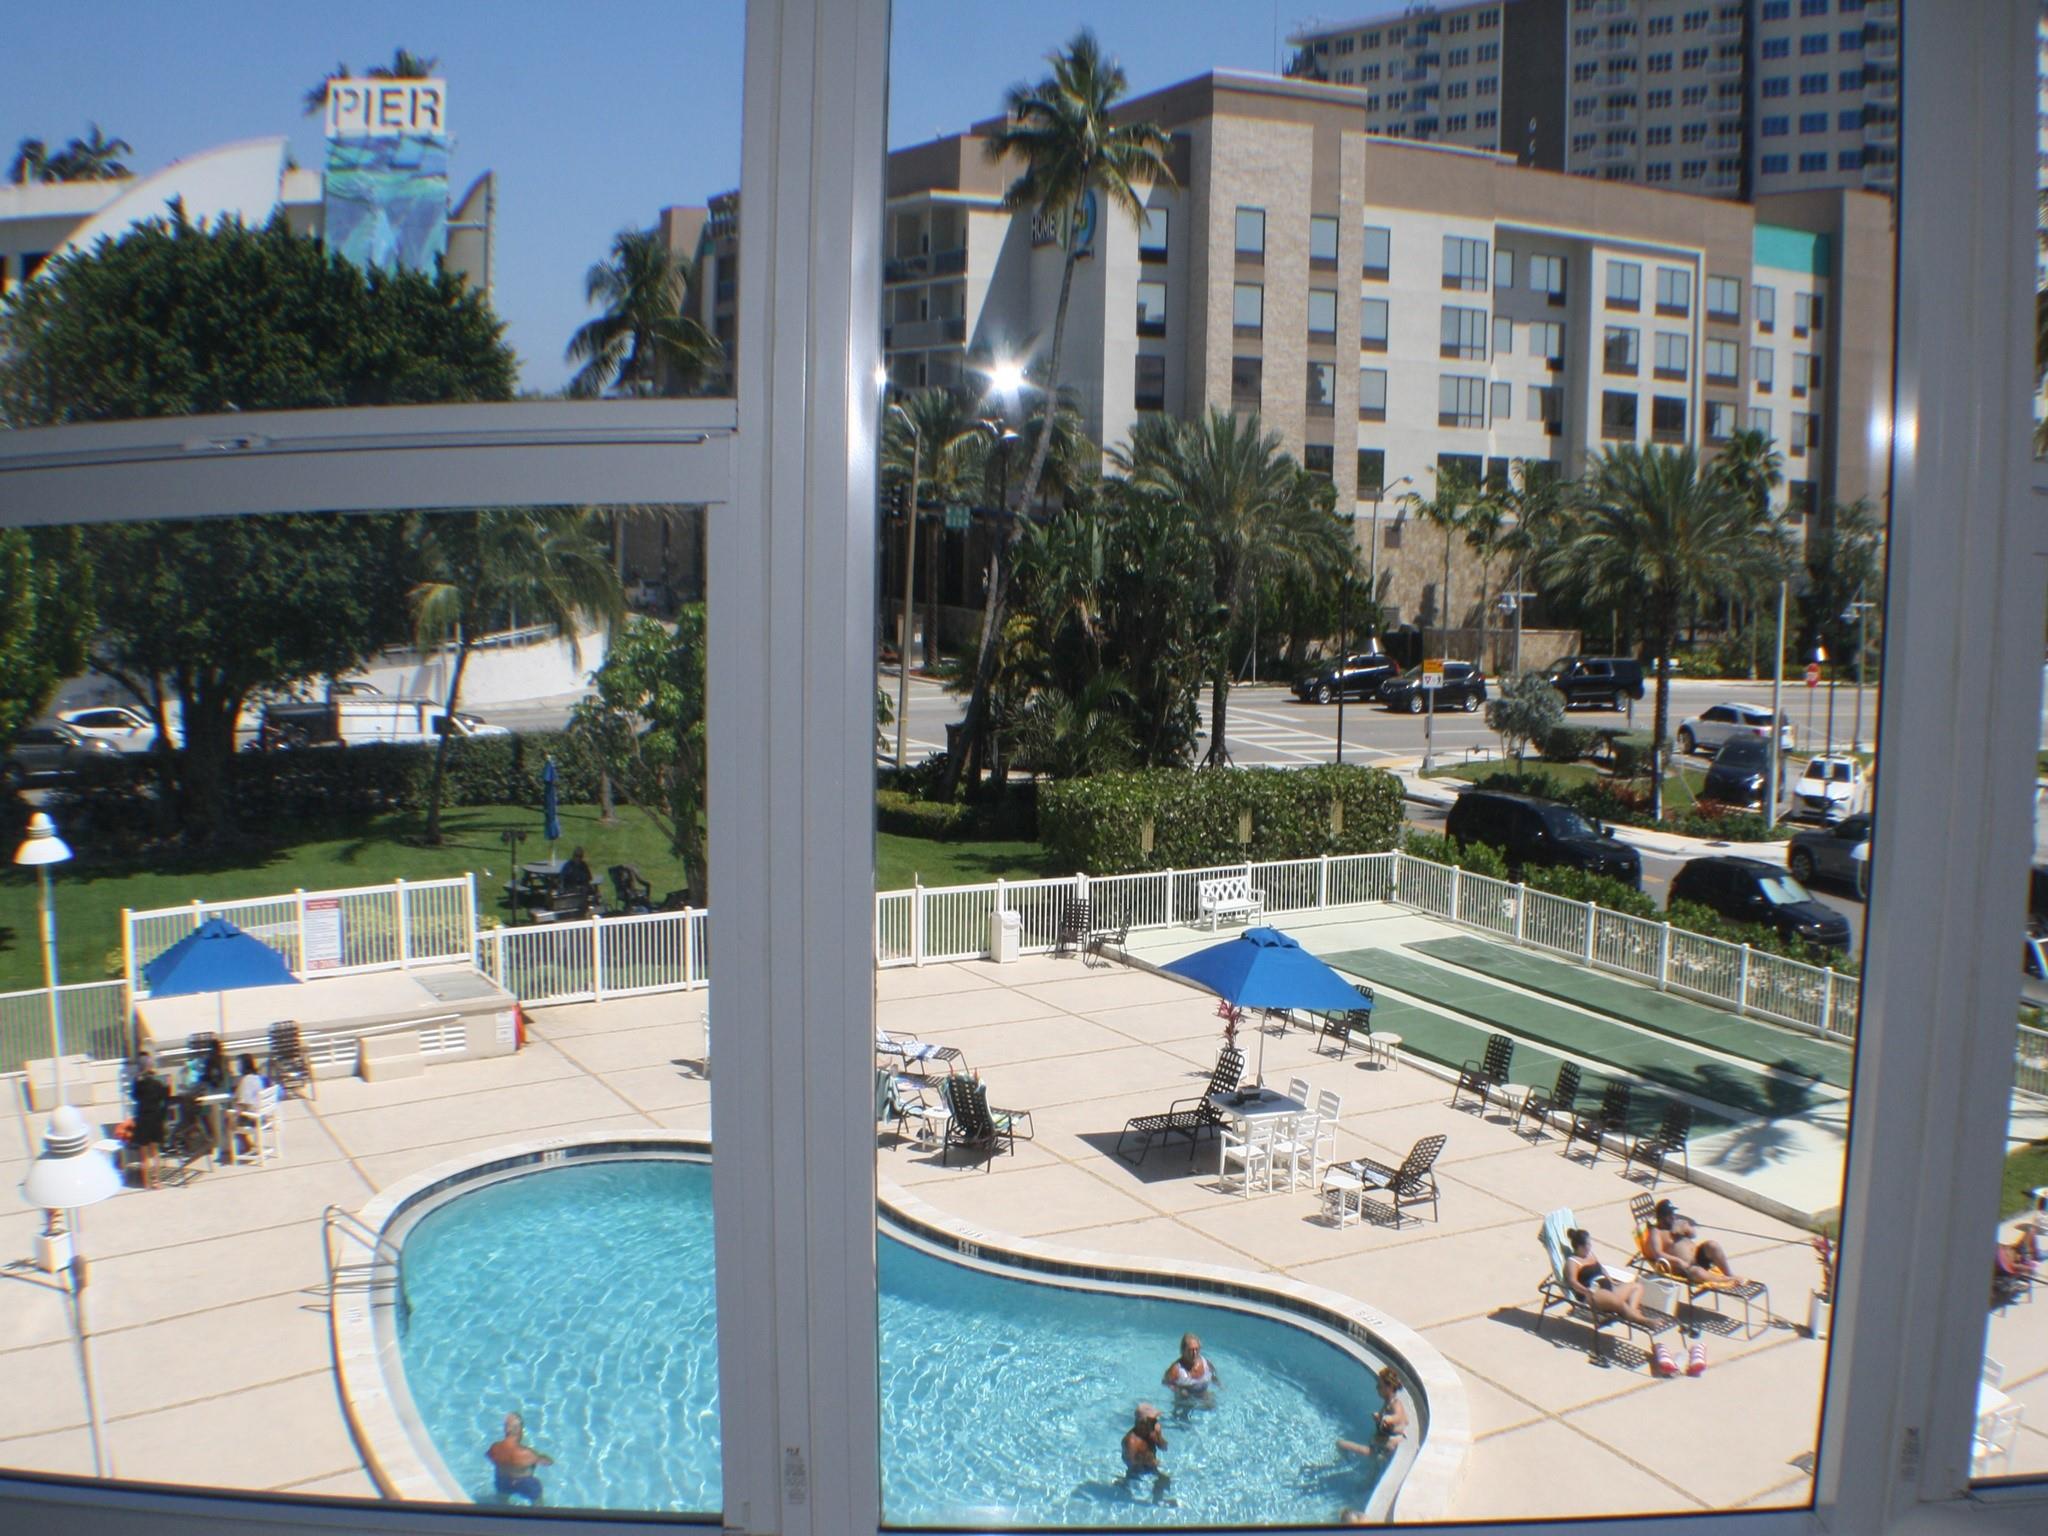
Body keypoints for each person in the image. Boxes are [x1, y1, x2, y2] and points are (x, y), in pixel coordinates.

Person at [1564, 1227, 1678, 1375]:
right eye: (1587, 1245)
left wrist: (1612, 1282)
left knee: (1637, 1287)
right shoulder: (1572, 1262)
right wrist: (1586, 1291)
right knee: (1618, 1303)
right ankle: (1645, 1321)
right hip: (1593, 1294)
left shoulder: (1590, 1254)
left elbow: (1602, 1270)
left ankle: (1631, 1312)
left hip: (1609, 1289)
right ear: (1579, 1247)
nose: (1590, 1247)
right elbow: (1572, 1282)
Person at [1648, 1199, 1748, 1286]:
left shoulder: (1678, 1223)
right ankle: (1728, 1280)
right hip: (1685, 1267)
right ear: (1661, 1217)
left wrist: (1687, 1229)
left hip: (1698, 1257)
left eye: (1673, 1214)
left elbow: (1693, 1235)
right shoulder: (1656, 1232)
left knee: (1712, 1245)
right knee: (1697, 1272)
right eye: (1670, 1215)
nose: (1673, 1217)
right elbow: (1658, 1254)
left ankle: (1729, 1274)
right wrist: (1679, 1262)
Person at [1336, 1367, 1409, 1461]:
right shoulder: (1388, 1402)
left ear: (1389, 1387)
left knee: (1340, 1443)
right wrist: (1379, 1418)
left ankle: (1346, 1461)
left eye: (1380, 1386)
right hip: (1380, 1445)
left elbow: (1399, 1416)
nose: (1377, 1388)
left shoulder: (1395, 1403)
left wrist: (1387, 1419)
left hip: (1382, 1448)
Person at [486, 1411, 553, 1505]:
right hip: (525, 1483)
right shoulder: (526, 1453)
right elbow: (547, 1462)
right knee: (537, 1500)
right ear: (519, 1430)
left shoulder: (495, 1447)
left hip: (503, 1481)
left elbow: (489, 1456)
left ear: (505, 1429)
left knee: (502, 1501)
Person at [130, 1055, 170, 1191]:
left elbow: (134, 1097)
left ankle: (146, 1183)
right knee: (154, 1152)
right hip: (156, 1118)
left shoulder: (137, 1082)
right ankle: (156, 1181)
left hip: (142, 1117)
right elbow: (164, 1096)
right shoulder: (157, 1082)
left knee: (144, 1153)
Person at [1120, 1403, 1171, 1500]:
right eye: (1153, 1420)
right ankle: (1123, 1486)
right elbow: (1129, 1461)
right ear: (1142, 1423)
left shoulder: (1153, 1431)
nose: (1156, 1422)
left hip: (1150, 1464)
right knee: (1132, 1479)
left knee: (1164, 1480)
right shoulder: (1131, 1442)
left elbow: (1164, 1448)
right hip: (1138, 1468)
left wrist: (1158, 1438)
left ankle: (1157, 1500)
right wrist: (1147, 1461)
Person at [1162, 1332, 1219, 1410]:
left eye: (1196, 1349)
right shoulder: (1176, 1369)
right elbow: (1166, 1382)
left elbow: (1213, 1375)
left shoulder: (1205, 1363)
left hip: (1202, 1393)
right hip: (1184, 1399)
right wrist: (1178, 1389)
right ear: (1183, 1351)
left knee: (1212, 1407)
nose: (1194, 1353)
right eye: (1190, 1350)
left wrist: (1219, 1385)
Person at [232, 1054, 270, 1159]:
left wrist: (234, 1115)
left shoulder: (246, 1080)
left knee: (229, 1120)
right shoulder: (257, 1077)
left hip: (254, 1118)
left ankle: (247, 1146)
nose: (237, 1067)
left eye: (238, 1064)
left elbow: (243, 1103)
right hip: (263, 1114)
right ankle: (248, 1146)